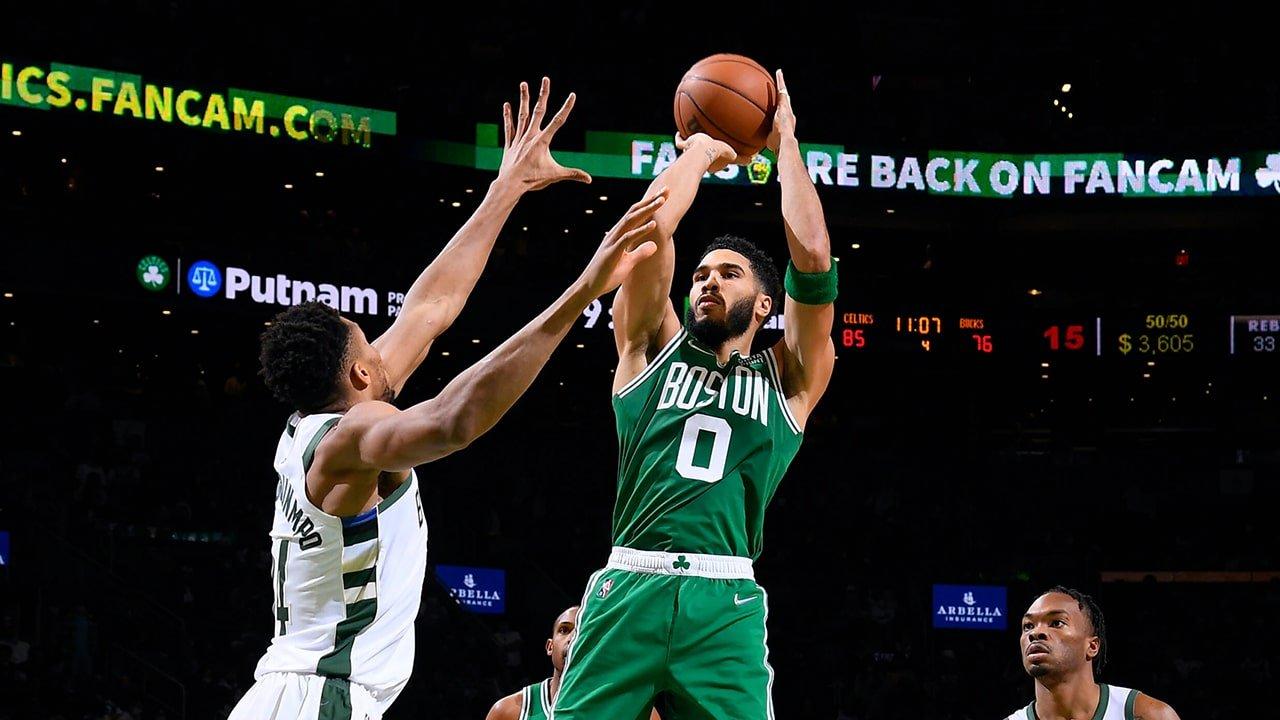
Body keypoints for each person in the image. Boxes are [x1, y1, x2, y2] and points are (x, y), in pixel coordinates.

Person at [228, 77, 669, 720]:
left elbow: (429, 308)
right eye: (371, 352)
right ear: (357, 378)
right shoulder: (354, 437)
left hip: (299, 694)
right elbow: (455, 420)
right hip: (319, 700)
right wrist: (582, 292)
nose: (385, 353)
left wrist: (507, 187)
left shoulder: (321, 422)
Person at [553, 69, 837, 719]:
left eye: (729, 274)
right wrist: (702, 154)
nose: (708, 281)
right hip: (629, 583)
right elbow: (649, 232)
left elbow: (814, 257)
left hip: (726, 600)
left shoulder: (789, 379)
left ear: (765, 304)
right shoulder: (648, 352)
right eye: (701, 273)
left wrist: (785, 140)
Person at [1003, 587, 1181, 720]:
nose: (1035, 633)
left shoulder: (1146, 715)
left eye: (1056, 623)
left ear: (1092, 646)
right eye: (1028, 626)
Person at [485, 606, 660, 720]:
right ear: (550, 646)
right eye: (564, 630)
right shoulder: (508, 712)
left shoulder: (638, 713)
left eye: (585, 631)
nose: (574, 638)